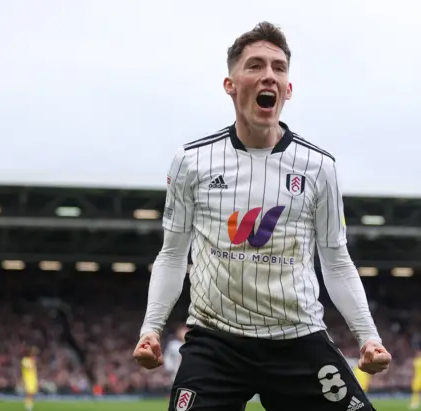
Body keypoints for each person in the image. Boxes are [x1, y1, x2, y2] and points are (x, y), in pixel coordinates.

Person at [133, 21, 391, 411]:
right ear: (230, 84)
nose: (268, 74)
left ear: (287, 89)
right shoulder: (192, 162)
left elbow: (336, 261)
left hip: (297, 339)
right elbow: (172, 255)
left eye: (278, 67)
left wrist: (368, 337)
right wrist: (151, 329)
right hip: (216, 341)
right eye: (255, 65)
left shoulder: (319, 168)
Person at [20, 346, 39, 411]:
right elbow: (29, 367)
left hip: (33, 379)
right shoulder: (25, 360)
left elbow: (34, 370)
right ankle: (28, 406)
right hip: (27, 379)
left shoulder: (32, 360)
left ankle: (29, 405)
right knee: (29, 393)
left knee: (32, 393)